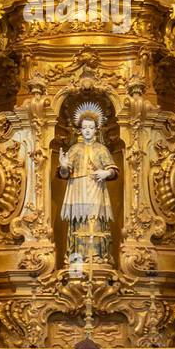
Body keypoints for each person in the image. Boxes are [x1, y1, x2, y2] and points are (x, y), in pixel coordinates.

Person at [58, 103, 118, 266]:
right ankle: (77, 257)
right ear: (80, 129)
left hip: (96, 189)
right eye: (85, 127)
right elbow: (65, 173)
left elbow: (112, 170)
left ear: (96, 129)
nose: (87, 131)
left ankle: (98, 257)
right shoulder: (74, 149)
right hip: (77, 189)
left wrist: (107, 173)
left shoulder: (102, 149)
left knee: (96, 220)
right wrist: (64, 166)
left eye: (91, 127)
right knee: (79, 221)